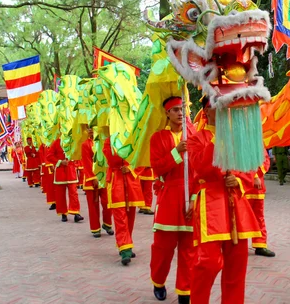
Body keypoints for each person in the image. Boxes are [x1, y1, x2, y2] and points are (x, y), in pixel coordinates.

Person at [187, 97, 262, 304]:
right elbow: (201, 168)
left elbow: (249, 167)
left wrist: (237, 179)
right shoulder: (196, 139)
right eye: (215, 107)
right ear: (206, 112)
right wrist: (217, 138)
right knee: (209, 263)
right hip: (210, 205)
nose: (220, 111)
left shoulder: (236, 138)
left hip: (236, 204)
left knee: (237, 267)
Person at [149, 96, 195, 303]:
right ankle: (158, 282)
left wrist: (194, 198)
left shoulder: (194, 135)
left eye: (182, 109)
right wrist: (177, 152)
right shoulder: (157, 138)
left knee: (189, 250)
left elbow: (200, 169)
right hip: (168, 198)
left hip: (191, 199)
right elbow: (158, 168)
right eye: (175, 109)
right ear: (167, 113)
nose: (179, 113)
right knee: (163, 248)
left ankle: (185, 291)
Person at [103, 129, 144, 265]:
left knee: (130, 216)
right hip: (116, 182)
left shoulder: (134, 136)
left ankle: (127, 243)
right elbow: (110, 157)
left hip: (131, 182)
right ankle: (125, 248)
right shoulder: (108, 141)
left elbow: (141, 157)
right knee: (120, 216)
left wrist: (131, 168)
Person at [80, 125, 113, 238]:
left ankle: (107, 224)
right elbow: (87, 162)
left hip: (104, 178)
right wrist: (93, 177)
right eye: (89, 128)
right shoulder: (85, 144)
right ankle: (95, 228)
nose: (90, 130)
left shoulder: (105, 142)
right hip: (91, 180)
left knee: (107, 203)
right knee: (93, 206)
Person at [245, 151, 276, 257]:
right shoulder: (237, 138)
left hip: (258, 188)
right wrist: (253, 176)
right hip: (242, 185)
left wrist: (257, 175)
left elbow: (265, 160)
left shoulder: (258, 141)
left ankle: (260, 245)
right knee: (241, 217)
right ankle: (239, 246)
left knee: (259, 217)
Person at [46, 137, 83, 223]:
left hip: (71, 171)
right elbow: (49, 156)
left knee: (74, 193)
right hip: (60, 172)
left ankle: (76, 212)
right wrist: (60, 162)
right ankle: (63, 213)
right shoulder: (56, 142)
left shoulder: (73, 141)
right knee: (60, 194)